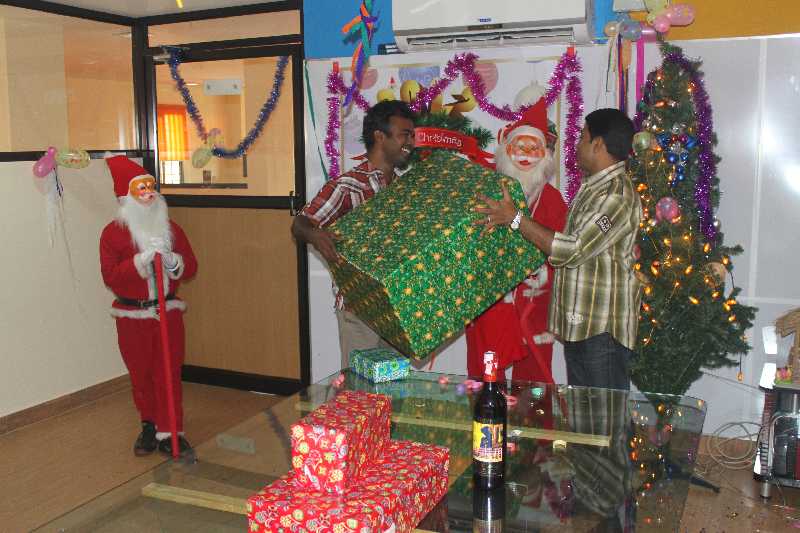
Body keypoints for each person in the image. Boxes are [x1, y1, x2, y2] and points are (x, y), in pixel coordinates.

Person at [476, 108, 640, 390]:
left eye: (582, 137)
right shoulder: (593, 188)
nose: (576, 145)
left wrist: (515, 218)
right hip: (580, 330)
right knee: (584, 414)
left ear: (598, 144)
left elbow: (572, 249)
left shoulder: (615, 195)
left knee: (604, 415)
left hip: (601, 333)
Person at [292, 100, 416, 369]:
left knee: (395, 385)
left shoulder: (404, 189)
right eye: (404, 134)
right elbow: (300, 224)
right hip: (359, 309)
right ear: (380, 136)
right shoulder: (348, 186)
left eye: (412, 135)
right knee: (359, 387)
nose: (411, 142)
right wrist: (316, 235)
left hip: (397, 308)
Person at [99, 155, 198, 456]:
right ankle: (149, 426)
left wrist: (172, 261)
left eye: (151, 186)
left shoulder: (171, 229)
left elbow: (191, 267)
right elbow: (110, 276)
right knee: (141, 374)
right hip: (132, 316)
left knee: (168, 373)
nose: (148, 194)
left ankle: (172, 431)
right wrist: (139, 262)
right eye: (140, 188)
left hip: (168, 312)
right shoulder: (112, 234)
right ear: (125, 197)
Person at [466, 95, 567, 383]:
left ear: (545, 155)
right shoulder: (485, 188)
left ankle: (533, 414)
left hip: (535, 306)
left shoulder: (552, 200)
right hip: (490, 304)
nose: (525, 155)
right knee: (487, 381)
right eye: (519, 147)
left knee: (534, 387)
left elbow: (562, 250)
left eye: (534, 148)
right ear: (505, 150)